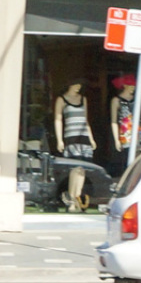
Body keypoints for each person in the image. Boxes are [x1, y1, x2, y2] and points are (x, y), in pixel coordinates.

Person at [54, 79, 96, 212]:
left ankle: (77, 199)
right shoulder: (62, 100)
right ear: (69, 84)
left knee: (82, 170)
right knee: (74, 169)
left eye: (80, 85)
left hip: (84, 136)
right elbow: (58, 120)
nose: (78, 87)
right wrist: (59, 140)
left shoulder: (83, 99)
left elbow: (86, 119)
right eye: (75, 84)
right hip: (71, 136)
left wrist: (91, 138)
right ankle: (71, 201)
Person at [108, 75, 136, 175]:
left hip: (137, 132)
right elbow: (114, 121)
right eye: (131, 86)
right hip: (124, 134)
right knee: (124, 160)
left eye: (134, 86)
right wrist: (116, 139)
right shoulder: (116, 100)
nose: (133, 88)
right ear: (124, 86)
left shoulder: (136, 99)